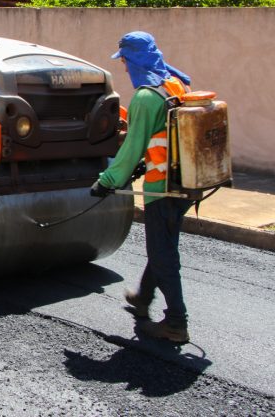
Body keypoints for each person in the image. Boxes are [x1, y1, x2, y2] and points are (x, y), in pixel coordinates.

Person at [90, 31, 194, 344]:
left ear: (134, 59)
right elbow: (163, 137)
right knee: (162, 246)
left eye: (123, 59)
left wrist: (107, 181)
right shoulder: (175, 84)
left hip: (163, 188)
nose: (122, 66)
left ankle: (176, 323)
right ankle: (142, 299)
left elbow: (132, 147)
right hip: (185, 182)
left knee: (163, 254)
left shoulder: (146, 98)